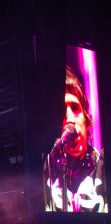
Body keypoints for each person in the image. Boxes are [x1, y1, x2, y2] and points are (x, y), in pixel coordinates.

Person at [44, 65, 107, 212]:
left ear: (86, 118)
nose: (70, 119)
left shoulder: (102, 165)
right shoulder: (47, 165)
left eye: (75, 108)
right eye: (62, 114)